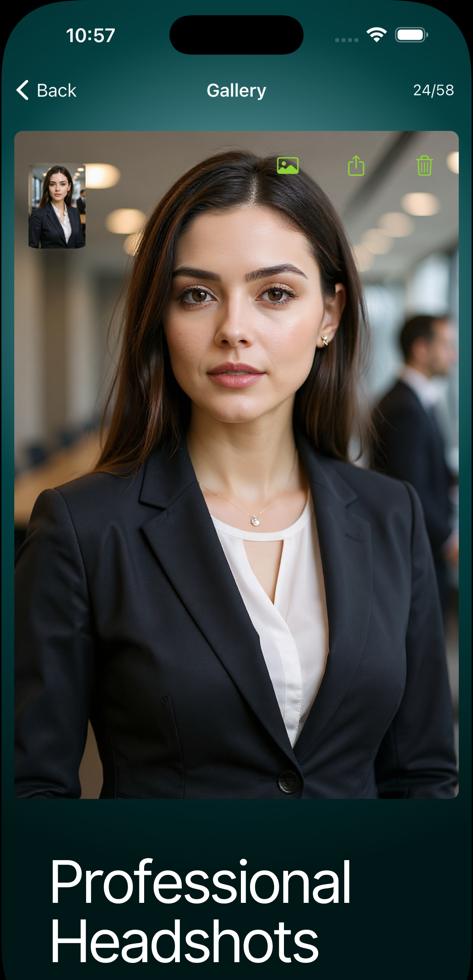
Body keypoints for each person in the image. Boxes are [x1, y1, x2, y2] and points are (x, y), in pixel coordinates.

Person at [15, 151, 457, 800]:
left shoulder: (392, 514)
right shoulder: (83, 529)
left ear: (329, 316)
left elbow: (422, 775)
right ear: (161, 320)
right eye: (196, 295)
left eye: (273, 293)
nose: (233, 330)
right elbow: (30, 794)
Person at [371, 315, 458, 615]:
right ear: (421, 350)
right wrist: (448, 540)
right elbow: (411, 488)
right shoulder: (404, 408)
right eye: (447, 346)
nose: (454, 355)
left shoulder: (416, 399)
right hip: (418, 552)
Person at [28, 166, 85, 248]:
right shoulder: (38, 215)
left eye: (62, 184)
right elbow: (32, 248)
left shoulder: (75, 212)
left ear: (69, 187)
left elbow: (79, 243)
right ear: (48, 187)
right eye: (52, 184)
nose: (57, 189)